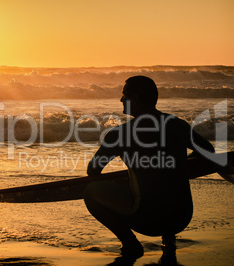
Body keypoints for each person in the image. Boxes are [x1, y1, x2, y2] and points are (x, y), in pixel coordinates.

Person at [84, 76, 215, 265]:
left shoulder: (119, 134)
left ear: (135, 98)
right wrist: (180, 164)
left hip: (148, 219)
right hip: (181, 216)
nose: (121, 100)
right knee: (162, 182)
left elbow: (93, 171)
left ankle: (130, 244)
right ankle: (169, 240)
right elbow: (208, 150)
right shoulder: (177, 125)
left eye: (124, 95)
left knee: (90, 192)